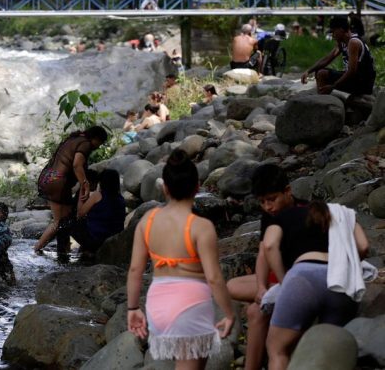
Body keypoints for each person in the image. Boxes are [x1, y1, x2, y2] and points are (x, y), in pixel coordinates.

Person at [127, 149, 234, 368]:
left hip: (158, 305)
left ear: (164, 188)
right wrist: (230, 313)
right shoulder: (201, 227)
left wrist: (132, 308)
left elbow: (135, 270)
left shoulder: (148, 220)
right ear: (197, 187)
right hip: (190, 304)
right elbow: (213, 277)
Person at [263, 200, 369, 370]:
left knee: (277, 349)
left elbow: (269, 245)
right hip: (341, 281)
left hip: (303, 277)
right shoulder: (343, 213)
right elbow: (363, 246)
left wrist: (284, 280)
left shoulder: (285, 215)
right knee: (328, 348)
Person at [225, 164, 303, 370]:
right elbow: (263, 254)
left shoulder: (304, 212)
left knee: (255, 311)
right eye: (262, 202)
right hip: (276, 278)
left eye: (272, 199)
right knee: (232, 285)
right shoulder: (270, 216)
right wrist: (260, 286)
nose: (268, 206)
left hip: (297, 280)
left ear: (287, 191)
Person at [35, 126, 109, 253]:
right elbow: (76, 164)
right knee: (60, 222)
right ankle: (37, 249)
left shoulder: (75, 138)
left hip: (48, 178)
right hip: (58, 182)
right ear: (95, 138)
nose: (98, 146)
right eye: (100, 143)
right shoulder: (85, 144)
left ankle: (63, 251)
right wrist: (84, 184)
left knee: (65, 220)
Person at [301, 16, 376, 96]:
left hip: (363, 83)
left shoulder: (353, 42)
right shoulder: (342, 42)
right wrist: (308, 71)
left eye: (333, 32)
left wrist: (333, 86)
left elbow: (352, 71)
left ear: (341, 29)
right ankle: (323, 98)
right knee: (319, 72)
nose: (333, 35)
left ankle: (323, 100)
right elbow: (327, 59)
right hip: (354, 79)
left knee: (321, 74)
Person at [67, 169, 125, 255]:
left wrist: (82, 189)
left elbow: (80, 213)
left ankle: (70, 250)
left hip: (96, 240)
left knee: (68, 222)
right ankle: (86, 250)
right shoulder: (121, 199)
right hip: (113, 238)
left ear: (102, 182)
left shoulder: (97, 195)